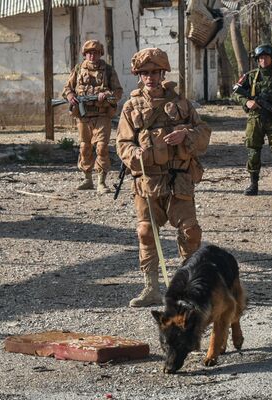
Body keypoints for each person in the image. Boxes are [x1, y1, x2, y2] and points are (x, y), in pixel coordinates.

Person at [116, 48, 212, 307]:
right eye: (145, 73)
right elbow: (122, 143)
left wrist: (185, 136)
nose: (151, 78)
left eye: (155, 72)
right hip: (148, 182)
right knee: (146, 232)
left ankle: (188, 287)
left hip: (179, 179)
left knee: (190, 231)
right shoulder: (131, 106)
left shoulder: (182, 104)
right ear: (139, 76)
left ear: (163, 73)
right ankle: (151, 289)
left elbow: (203, 134)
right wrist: (135, 153)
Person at [233, 44, 272, 199]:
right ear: (257, 60)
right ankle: (253, 184)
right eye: (260, 58)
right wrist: (246, 102)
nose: (263, 60)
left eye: (266, 57)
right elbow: (235, 91)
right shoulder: (251, 76)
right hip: (255, 120)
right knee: (253, 153)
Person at [62, 40, 123, 194]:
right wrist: (70, 96)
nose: (92, 55)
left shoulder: (108, 70)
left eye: (95, 53)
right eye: (89, 53)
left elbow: (118, 92)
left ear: (100, 54)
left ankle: (101, 181)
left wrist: (106, 95)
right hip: (83, 115)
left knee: (102, 147)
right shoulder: (78, 69)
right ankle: (87, 179)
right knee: (84, 146)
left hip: (102, 115)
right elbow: (67, 88)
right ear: (85, 54)